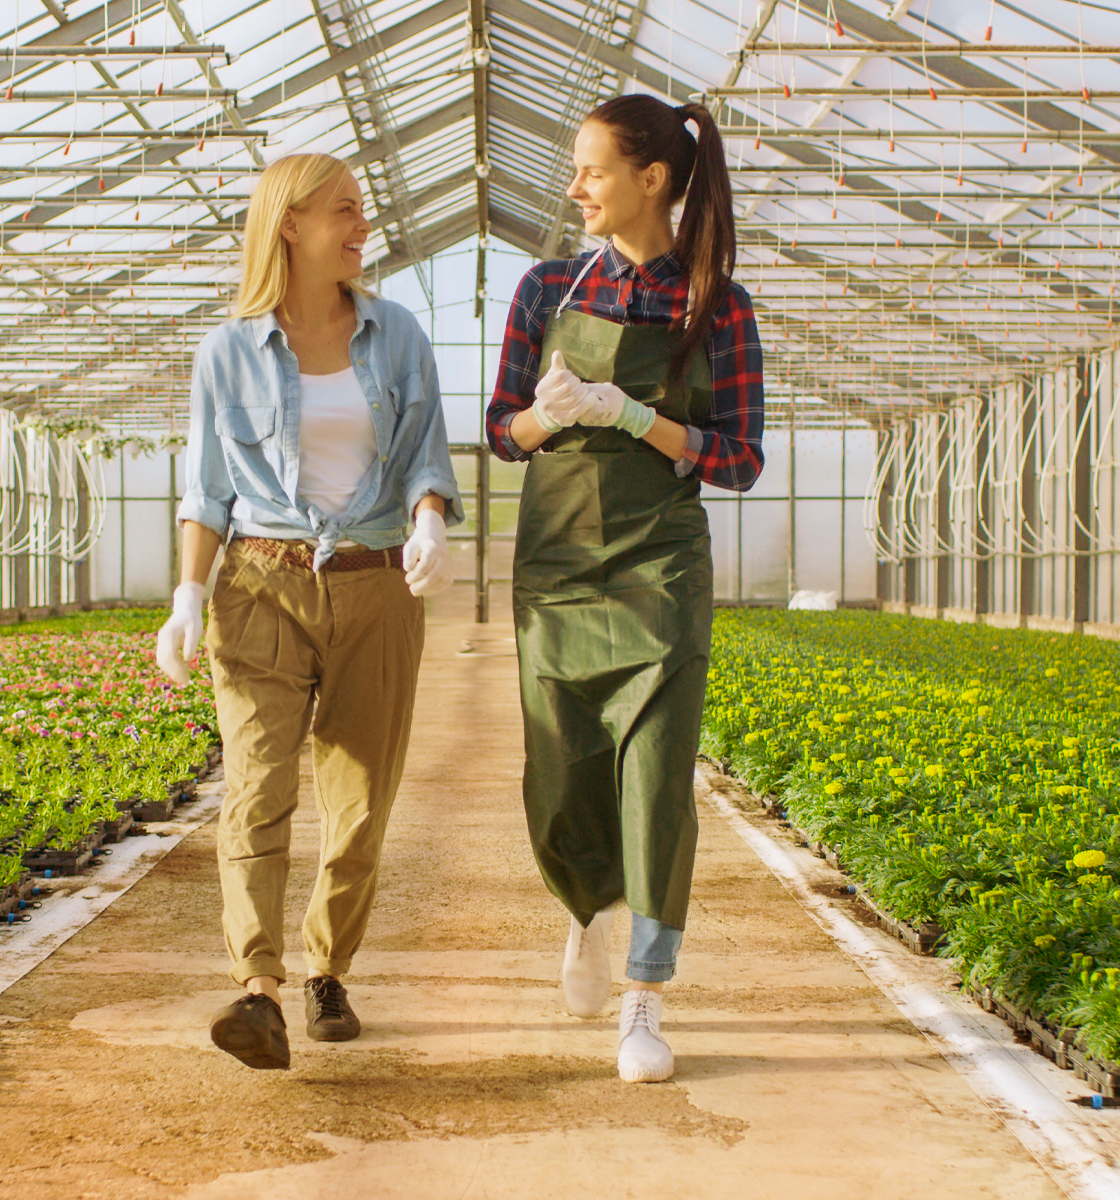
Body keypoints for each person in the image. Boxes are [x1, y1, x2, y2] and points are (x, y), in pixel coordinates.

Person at [155, 153, 463, 1070]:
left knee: (361, 800)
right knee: (257, 789)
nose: (363, 226)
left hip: (376, 587)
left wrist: (430, 522)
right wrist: (187, 596)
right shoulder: (226, 351)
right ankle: (258, 988)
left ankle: (329, 968)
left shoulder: (398, 334)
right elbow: (207, 491)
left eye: (363, 211)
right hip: (259, 586)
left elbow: (426, 457)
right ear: (289, 223)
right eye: (346, 210)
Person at [486, 95, 764, 1083]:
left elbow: (738, 459)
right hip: (558, 563)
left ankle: (645, 999)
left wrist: (634, 415)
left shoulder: (715, 304)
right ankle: (586, 909)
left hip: (661, 563)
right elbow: (497, 433)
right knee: (560, 769)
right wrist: (543, 418)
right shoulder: (545, 286)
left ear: (652, 179)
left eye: (591, 170)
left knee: (655, 778)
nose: (574, 189)